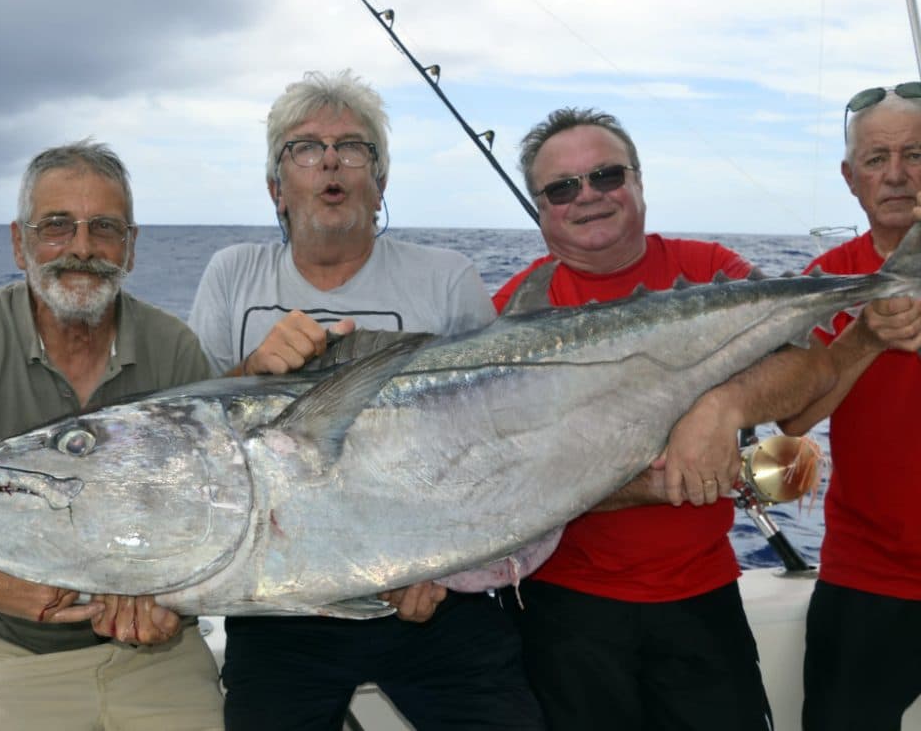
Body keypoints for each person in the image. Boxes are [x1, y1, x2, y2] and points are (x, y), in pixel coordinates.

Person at [188, 70, 545, 731]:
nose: (329, 161)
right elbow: (195, 447)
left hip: (432, 595)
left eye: (352, 148)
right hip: (279, 604)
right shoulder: (231, 273)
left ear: (378, 184)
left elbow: (499, 439)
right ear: (276, 188)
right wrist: (251, 371)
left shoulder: (446, 278)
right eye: (305, 148)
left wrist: (446, 565)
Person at [492, 107, 837, 731]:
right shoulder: (508, 314)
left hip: (703, 596)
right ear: (541, 208)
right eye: (563, 188)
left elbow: (811, 369)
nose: (588, 197)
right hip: (561, 612)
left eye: (605, 175)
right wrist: (652, 482)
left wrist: (721, 405)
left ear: (640, 181)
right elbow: (507, 483)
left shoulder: (707, 271)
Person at [0, 140, 224, 730]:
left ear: (130, 248)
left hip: (158, 656)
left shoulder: (175, 348)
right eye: (57, 226)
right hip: (2, 656)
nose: (81, 248)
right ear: (17, 241)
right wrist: (15, 592)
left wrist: (167, 602)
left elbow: (216, 514)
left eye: (104, 228)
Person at [777, 86, 921, 731]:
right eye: (876, 158)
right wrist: (867, 335)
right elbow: (794, 418)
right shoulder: (824, 278)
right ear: (850, 178)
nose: (896, 174)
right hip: (869, 573)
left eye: (916, 154)